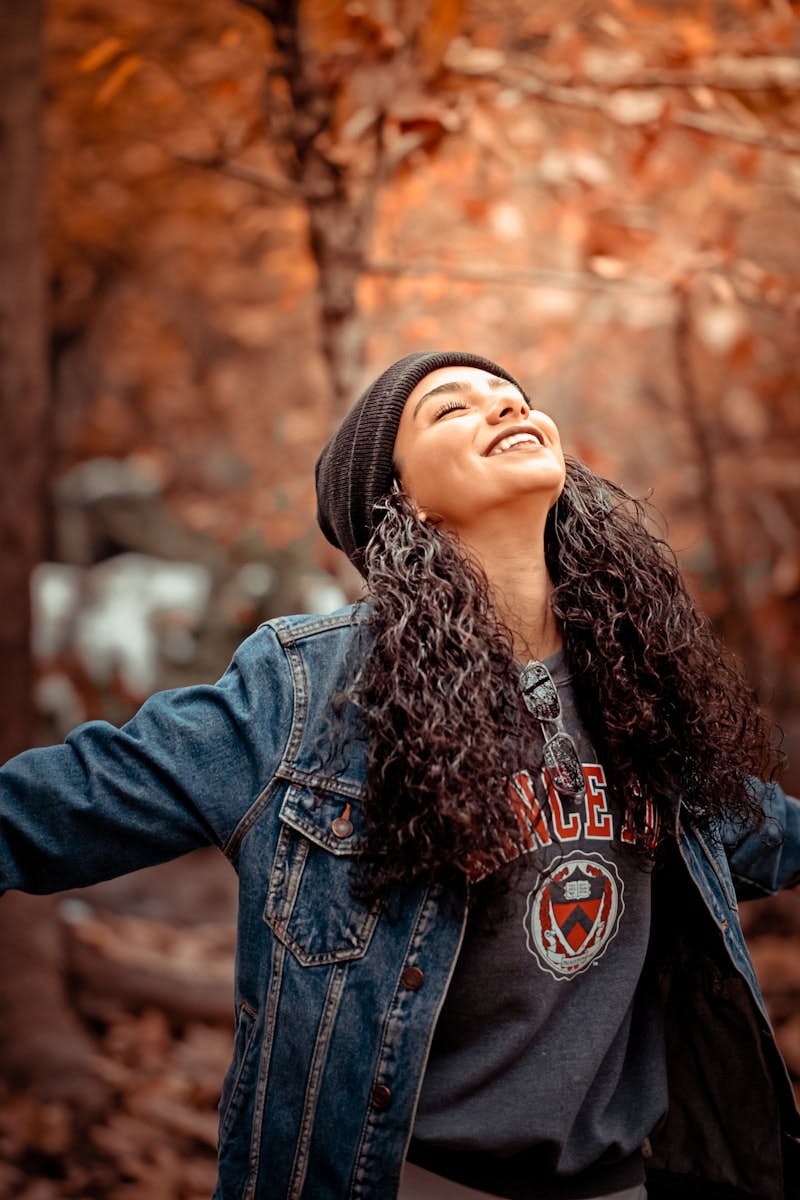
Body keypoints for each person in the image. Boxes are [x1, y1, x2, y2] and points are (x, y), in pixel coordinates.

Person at [0, 350, 798, 1200]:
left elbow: (761, 834)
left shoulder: (637, 686)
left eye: (514, 398)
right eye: (452, 409)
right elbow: (51, 809)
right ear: (403, 498)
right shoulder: (305, 693)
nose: (501, 409)